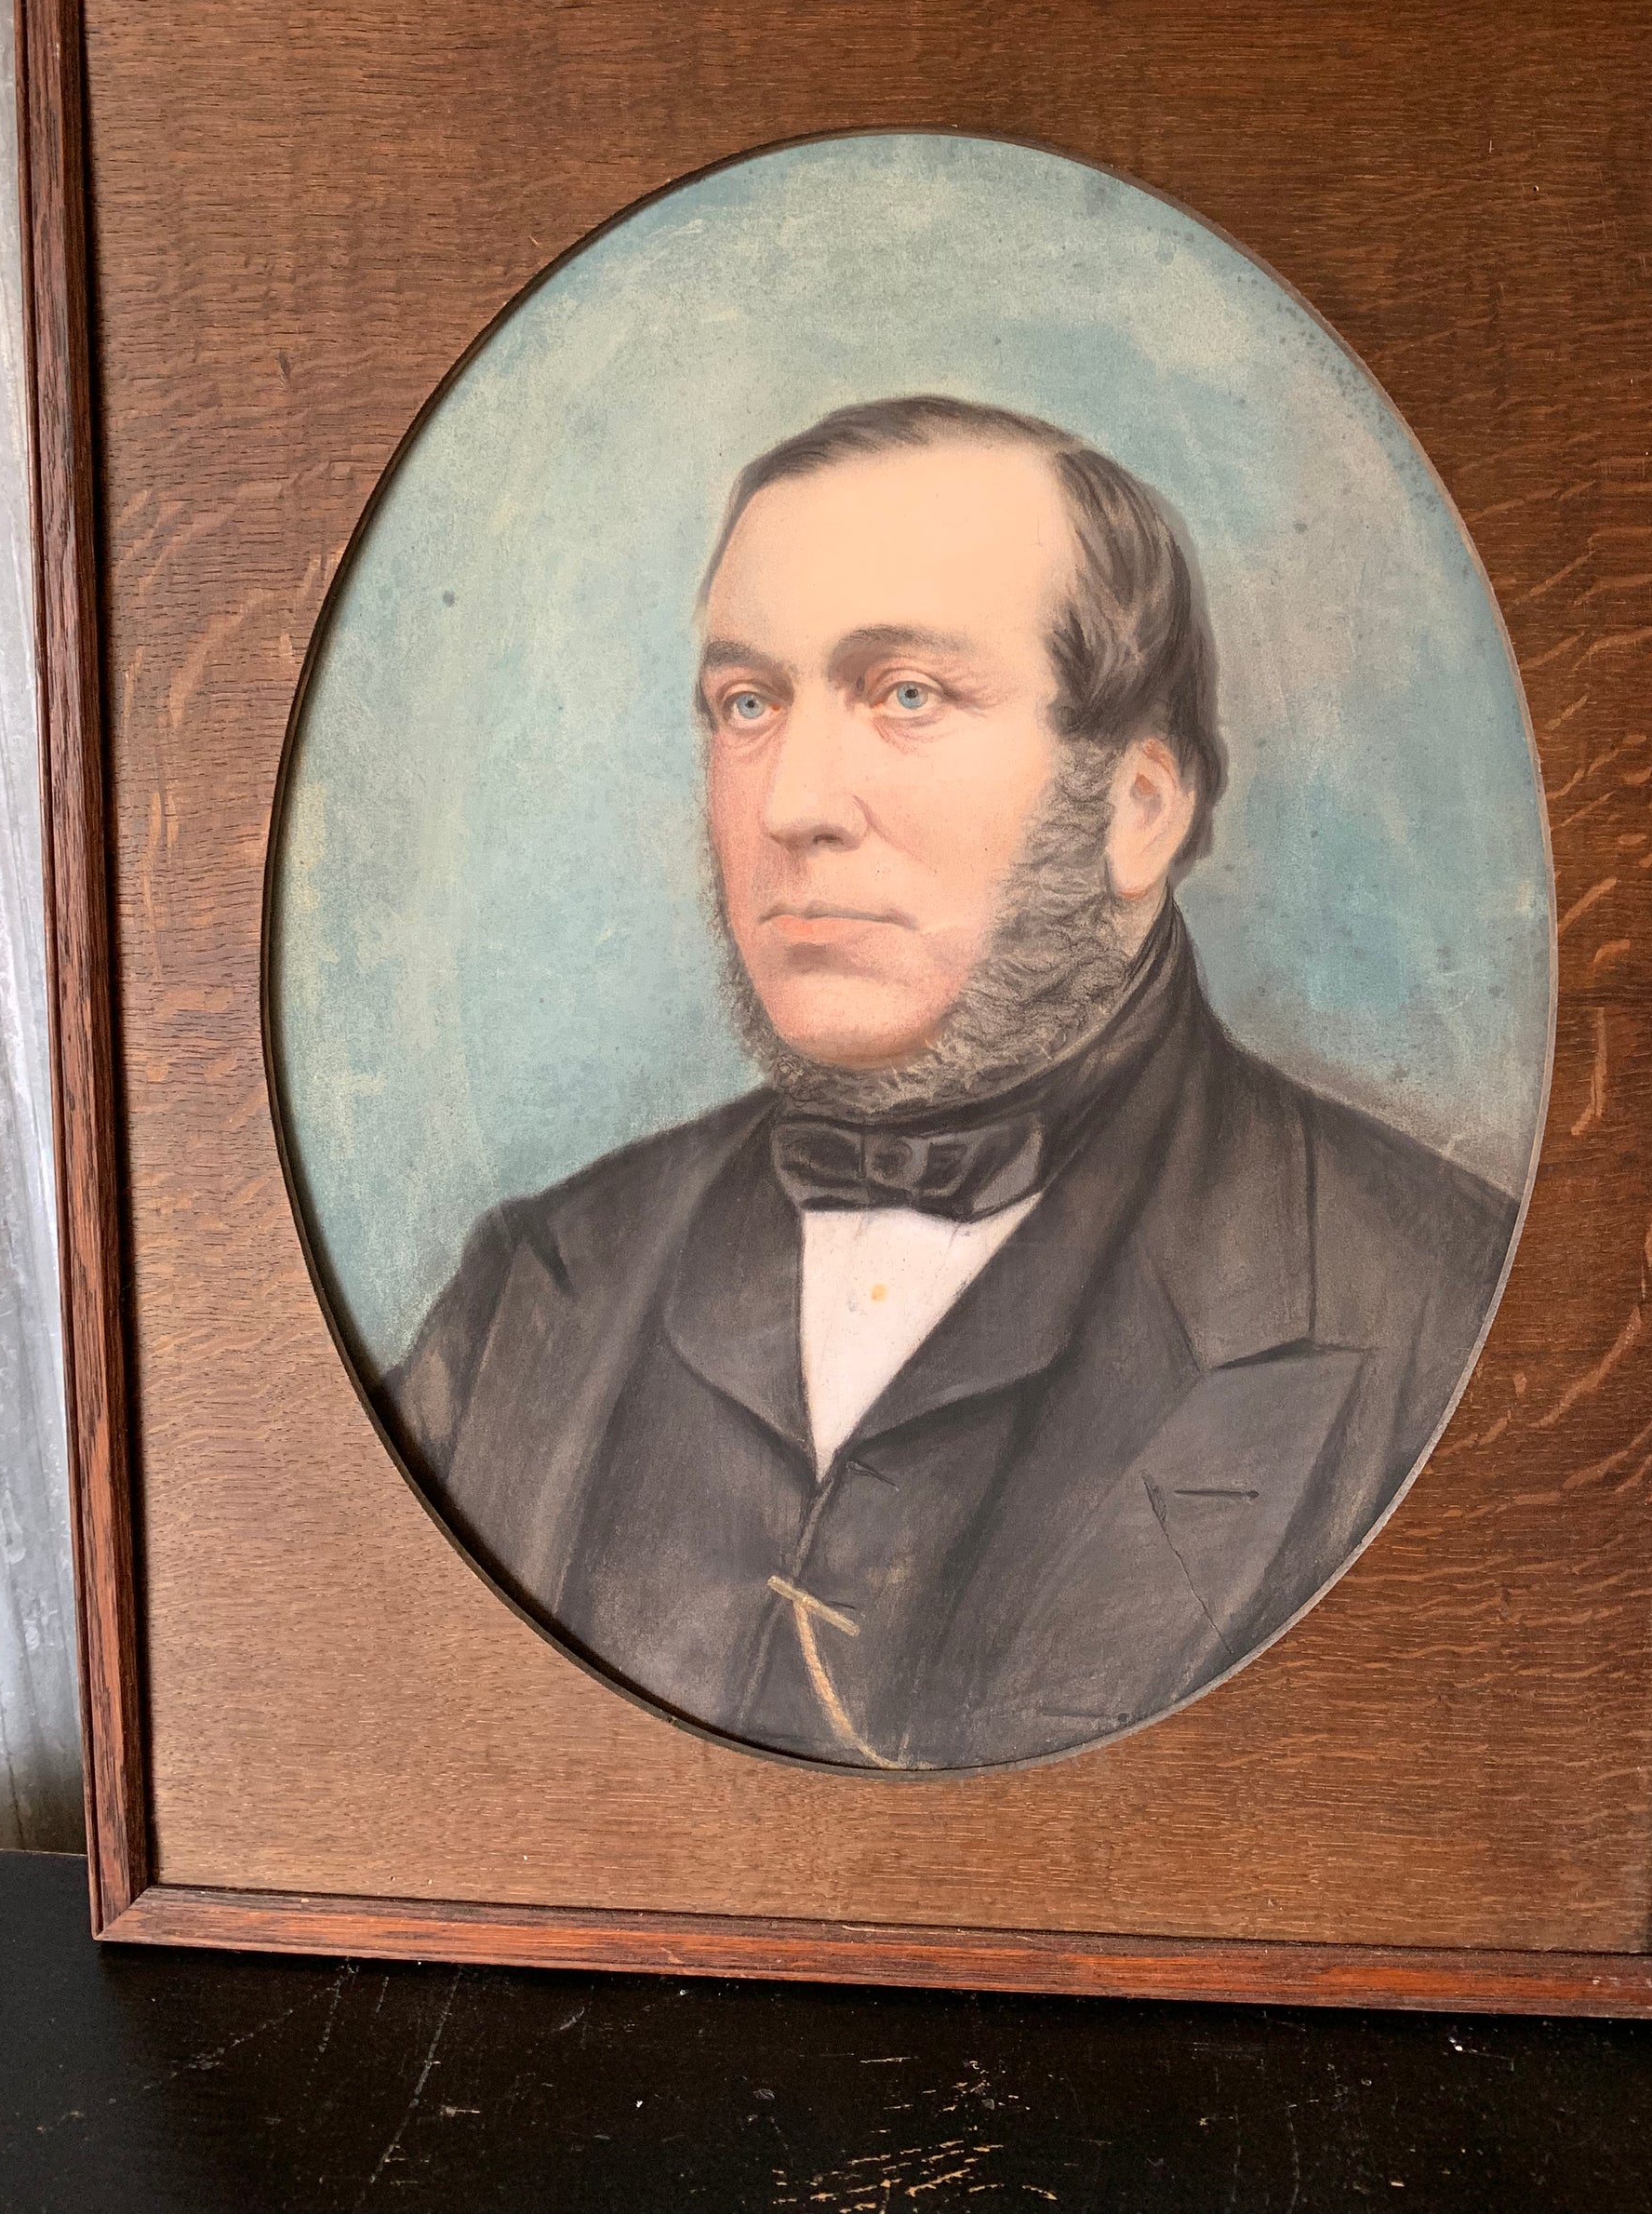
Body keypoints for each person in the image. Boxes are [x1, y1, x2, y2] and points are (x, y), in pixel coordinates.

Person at [377, 396, 1517, 1770]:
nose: (795, 800)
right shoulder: (534, 1291)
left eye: (906, 694)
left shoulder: (1439, 1311)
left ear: (1138, 805)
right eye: (748, 703)